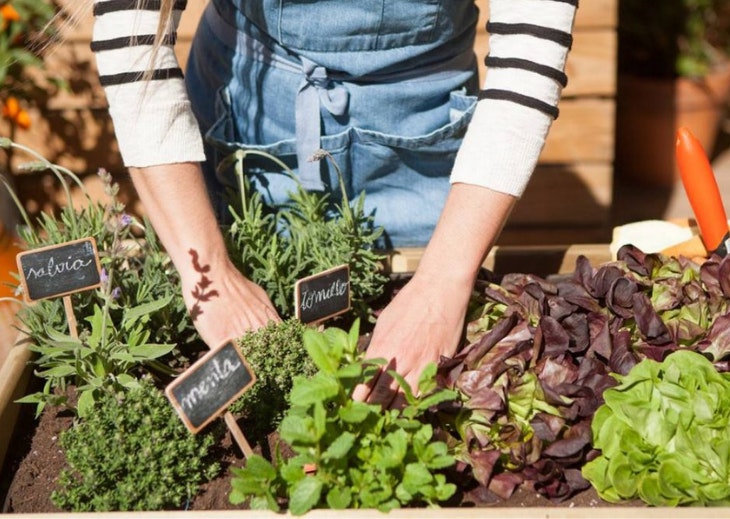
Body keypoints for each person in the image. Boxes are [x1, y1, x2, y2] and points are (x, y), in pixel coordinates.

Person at [90, 0, 577, 405]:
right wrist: (208, 273)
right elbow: (132, 50)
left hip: (421, 134)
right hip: (245, 124)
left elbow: (528, 62)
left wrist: (443, 280)